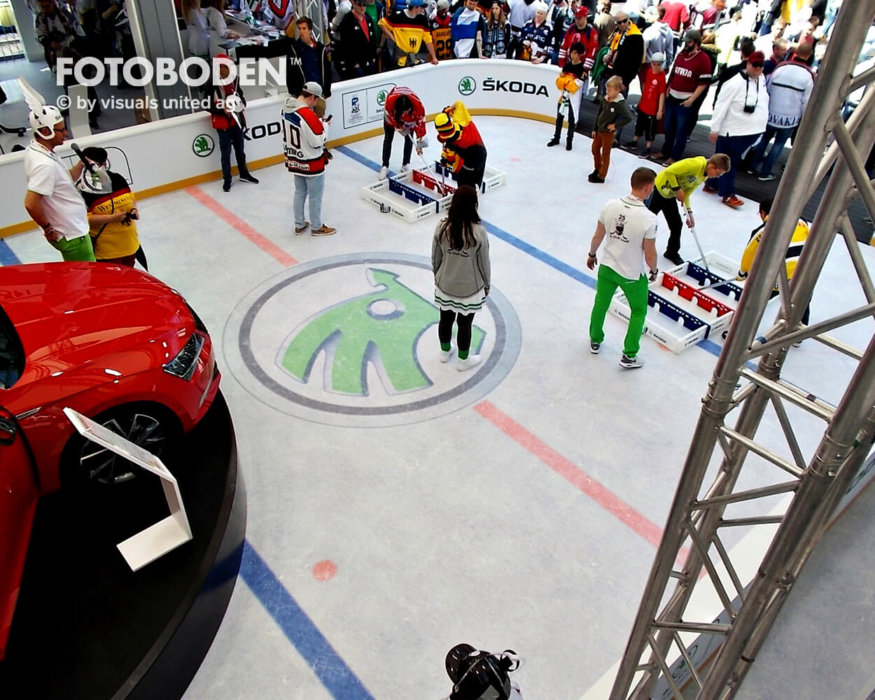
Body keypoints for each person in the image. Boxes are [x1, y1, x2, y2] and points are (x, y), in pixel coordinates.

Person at [586, 166, 658, 369]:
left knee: (600, 303)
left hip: (607, 266)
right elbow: (650, 253)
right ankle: (629, 354)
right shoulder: (649, 219)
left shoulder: (609, 205)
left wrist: (592, 254)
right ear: (647, 187)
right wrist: (653, 270)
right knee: (638, 311)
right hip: (631, 273)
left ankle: (595, 339)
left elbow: (597, 236)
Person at [23, 105, 95, 262]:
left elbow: (61, 182)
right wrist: (49, 230)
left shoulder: (38, 150)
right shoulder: (44, 165)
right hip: (72, 235)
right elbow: (31, 203)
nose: (66, 133)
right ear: (45, 132)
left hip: (72, 229)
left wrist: (79, 166)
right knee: (86, 279)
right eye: (61, 130)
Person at [432, 185, 491, 372]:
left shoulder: (442, 227)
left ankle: (444, 351)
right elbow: (484, 263)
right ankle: (463, 360)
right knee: (465, 324)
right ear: (474, 205)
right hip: (469, 289)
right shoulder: (478, 232)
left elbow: (435, 257)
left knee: (445, 318)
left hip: (445, 284)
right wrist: (487, 284)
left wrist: (438, 276)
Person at [705, 50, 769, 209]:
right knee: (729, 162)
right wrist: (715, 128)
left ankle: (712, 183)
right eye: (755, 65)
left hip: (751, 131)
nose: (758, 68)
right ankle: (727, 193)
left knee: (725, 160)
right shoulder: (733, 83)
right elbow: (721, 105)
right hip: (732, 132)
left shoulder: (761, 80)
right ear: (748, 63)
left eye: (761, 66)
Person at [737, 196, 810, 326]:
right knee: (802, 300)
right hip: (805, 268)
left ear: (763, 213)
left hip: (783, 274)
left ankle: (742, 327)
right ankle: (799, 330)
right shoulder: (802, 221)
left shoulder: (763, 229)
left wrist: (743, 274)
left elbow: (749, 253)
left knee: (758, 297)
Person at [748, 41, 815, 181]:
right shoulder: (808, 75)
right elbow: (807, 101)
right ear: (809, 55)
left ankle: (752, 166)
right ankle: (765, 173)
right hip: (790, 117)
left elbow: (769, 88)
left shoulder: (781, 67)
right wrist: (802, 118)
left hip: (771, 113)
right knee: (778, 144)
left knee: (764, 140)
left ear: (796, 53)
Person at [647, 153, 730, 265]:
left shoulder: (704, 175)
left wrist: (689, 213)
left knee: (677, 225)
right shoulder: (695, 164)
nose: (718, 176)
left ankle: (672, 252)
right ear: (712, 166)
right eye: (718, 173)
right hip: (657, 191)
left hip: (669, 195)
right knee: (646, 221)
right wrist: (677, 189)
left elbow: (687, 192)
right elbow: (669, 171)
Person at [282, 82, 336, 236]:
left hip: (294, 159)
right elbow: (317, 141)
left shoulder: (286, 108)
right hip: (311, 162)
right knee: (315, 196)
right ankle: (317, 227)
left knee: (299, 192)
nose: (317, 102)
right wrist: (325, 126)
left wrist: (317, 124)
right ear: (312, 97)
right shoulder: (308, 115)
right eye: (317, 99)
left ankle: (299, 224)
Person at [651, 28, 712, 165]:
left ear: (696, 42)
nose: (686, 44)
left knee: (681, 131)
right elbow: (674, 72)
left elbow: (703, 83)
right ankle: (665, 151)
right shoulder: (682, 55)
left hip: (685, 100)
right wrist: (668, 87)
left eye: (689, 42)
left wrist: (691, 100)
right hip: (672, 97)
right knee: (668, 127)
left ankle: (675, 155)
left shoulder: (703, 59)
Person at [75, 146, 142, 267]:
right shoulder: (81, 189)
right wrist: (112, 218)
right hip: (107, 252)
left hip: (130, 244)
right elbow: (84, 219)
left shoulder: (118, 178)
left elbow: (130, 197)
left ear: (104, 163)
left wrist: (134, 209)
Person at [210, 54, 259, 192]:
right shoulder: (211, 84)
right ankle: (227, 180)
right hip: (222, 125)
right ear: (219, 67)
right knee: (225, 154)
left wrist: (241, 103)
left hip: (236, 122)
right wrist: (222, 110)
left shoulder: (235, 80)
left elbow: (241, 96)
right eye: (227, 66)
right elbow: (207, 105)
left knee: (240, 151)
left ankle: (244, 174)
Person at [434, 101, 488, 188]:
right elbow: (459, 104)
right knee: (476, 177)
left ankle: (469, 195)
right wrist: (449, 111)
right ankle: (475, 187)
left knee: (464, 180)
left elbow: (450, 159)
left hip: (473, 158)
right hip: (481, 152)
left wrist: (445, 161)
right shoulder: (461, 122)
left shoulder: (454, 143)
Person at [589, 74, 631, 183]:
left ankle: (602, 176)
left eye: (610, 90)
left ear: (617, 90)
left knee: (605, 154)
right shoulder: (605, 99)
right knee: (594, 149)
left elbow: (628, 118)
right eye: (607, 89)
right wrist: (594, 128)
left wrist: (615, 125)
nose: (607, 91)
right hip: (599, 130)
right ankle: (597, 168)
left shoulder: (619, 104)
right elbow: (599, 113)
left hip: (608, 133)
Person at [379, 86, 427, 180]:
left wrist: (420, 144)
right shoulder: (390, 102)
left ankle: (405, 164)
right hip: (392, 119)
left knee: (409, 138)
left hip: (410, 120)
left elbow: (421, 125)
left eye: (407, 111)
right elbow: (389, 117)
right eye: (403, 111)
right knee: (388, 139)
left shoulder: (418, 106)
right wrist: (399, 126)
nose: (405, 113)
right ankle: (385, 166)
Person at [624, 51, 666, 156]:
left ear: (661, 64)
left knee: (650, 129)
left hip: (653, 109)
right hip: (644, 105)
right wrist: (641, 100)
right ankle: (634, 141)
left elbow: (662, 94)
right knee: (639, 124)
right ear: (651, 63)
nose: (656, 67)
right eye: (654, 64)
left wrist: (660, 110)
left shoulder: (661, 77)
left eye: (659, 64)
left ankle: (648, 147)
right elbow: (646, 87)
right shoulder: (649, 72)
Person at [285, 17, 333, 110]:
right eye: (299, 28)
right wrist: (293, 91)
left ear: (310, 30)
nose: (301, 31)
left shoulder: (320, 49)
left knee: (318, 120)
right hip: (302, 93)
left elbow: (327, 71)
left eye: (304, 28)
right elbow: (290, 70)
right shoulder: (295, 49)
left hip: (318, 92)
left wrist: (326, 92)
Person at [548, 41, 586, 150]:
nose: (571, 55)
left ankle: (569, 140)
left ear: (579, 54)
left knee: (571, 119)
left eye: (574, 53)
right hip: (563, 95)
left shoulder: (582, 70)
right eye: (571, 52)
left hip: (573, 97)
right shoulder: (567, 65)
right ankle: (556, 137)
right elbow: (559, 82)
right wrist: (566, 82)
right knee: (559, 117)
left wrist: (566, 81)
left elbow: (576, 85)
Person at [379, 0, 439, 67]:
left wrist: (434, 57)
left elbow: (428, 40)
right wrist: (391, 36)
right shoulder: (398, 16)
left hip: (414, 59)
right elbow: (381, 23)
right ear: (415, 7)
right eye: (421, 7)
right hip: (399, 60)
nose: (423, 10)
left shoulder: (423, 20)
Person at [336, 0, 379, 79]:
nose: (362, 7)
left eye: (364, 5)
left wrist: (373, 57)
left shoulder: (368, 18)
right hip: (356, 64)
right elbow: (345, 44)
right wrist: (354, 63)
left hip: (369, 61)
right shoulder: (347, 20)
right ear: (354, 4)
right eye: (360, 5)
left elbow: (372, 39)